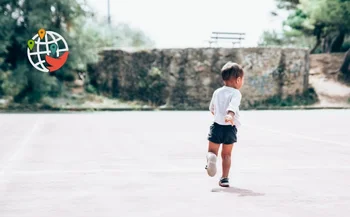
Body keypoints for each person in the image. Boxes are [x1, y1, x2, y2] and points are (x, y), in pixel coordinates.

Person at [205, 61, 244, 187]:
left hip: (217, 126)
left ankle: (211, 158)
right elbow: (233, 106)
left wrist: (220, 116)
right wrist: (230, 115)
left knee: (212, 151)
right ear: (238, 80)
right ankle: (224, 178)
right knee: (226, 155)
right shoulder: (236, 93)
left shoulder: (217, 92)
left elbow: (212, 108)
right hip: (230, 129)